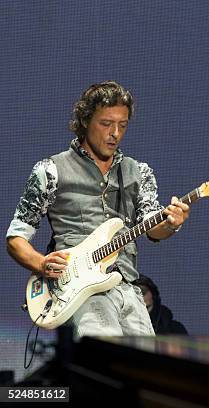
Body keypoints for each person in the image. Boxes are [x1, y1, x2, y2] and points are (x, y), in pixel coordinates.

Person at [6, 81, 190, 337]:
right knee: (103, 365)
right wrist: (41, 263)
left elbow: (153, 228)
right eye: (106, 124)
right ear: (84, 120)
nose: (115, 132)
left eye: (122, 125)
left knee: (147, 368)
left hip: (127, 287)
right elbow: (15, 238)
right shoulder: (50, 170)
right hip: (80, 293)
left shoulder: (139, 172)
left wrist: (171, 223)